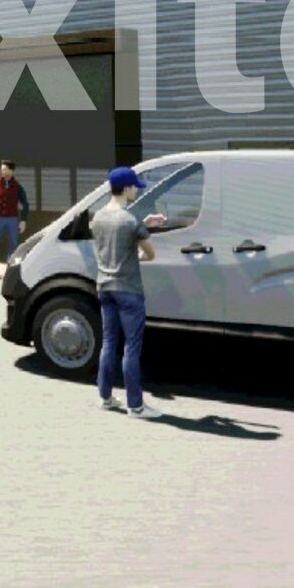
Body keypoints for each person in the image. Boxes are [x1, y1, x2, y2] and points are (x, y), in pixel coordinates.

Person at [91, 166, 162, 417]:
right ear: (127, 188)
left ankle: (106, 397)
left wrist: (142, 224)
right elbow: (150, 254)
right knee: (132, 347)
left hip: (104, 287)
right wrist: (142, 235)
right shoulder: (130, 220)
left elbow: (110, 244)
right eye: (135, 187)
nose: (136, 192)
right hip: (128, 290)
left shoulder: (98, 217)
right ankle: (136, 405)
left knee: (109, 343)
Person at [0, 160, 30, 278]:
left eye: (5, 169)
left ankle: (10, 271)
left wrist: (23, 220)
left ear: (11, 170)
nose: (3, 171)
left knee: (13, 245)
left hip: (12, 219)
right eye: (2, 169)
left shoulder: (17, 186)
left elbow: (25, 204)